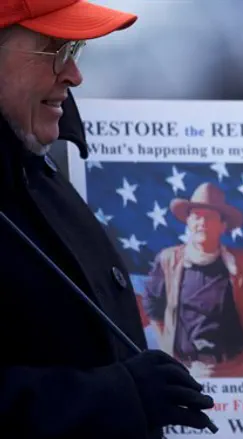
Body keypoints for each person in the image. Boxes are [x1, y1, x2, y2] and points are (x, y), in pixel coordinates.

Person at [0, 1, 215, 438]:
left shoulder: (36, 166)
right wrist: (111, 398)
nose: (75, 74)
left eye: (75, 47)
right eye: (55, 49)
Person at [143, 182, 243, 378]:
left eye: (209, 217)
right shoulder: (168, 261)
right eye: (196, 216)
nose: (201, 222)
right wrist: (167, 350)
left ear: (223, 225)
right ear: (188, 222)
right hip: (186, 370)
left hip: (236, 369)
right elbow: (153, 307)